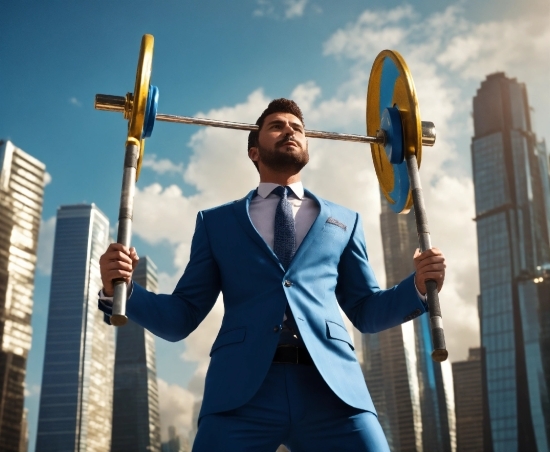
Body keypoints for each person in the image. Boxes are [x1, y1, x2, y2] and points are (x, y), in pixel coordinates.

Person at [98, 98, 446, 451]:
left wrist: (416, 287)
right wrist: (122, 291)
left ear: (308, 146)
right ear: (254, 150)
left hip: (334, 393)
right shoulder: (215, 223)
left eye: (297, 127)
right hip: (240, 395)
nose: (289, 131)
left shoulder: (345, 221)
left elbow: (366, 311)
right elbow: (181, 316)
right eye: (276, 126)